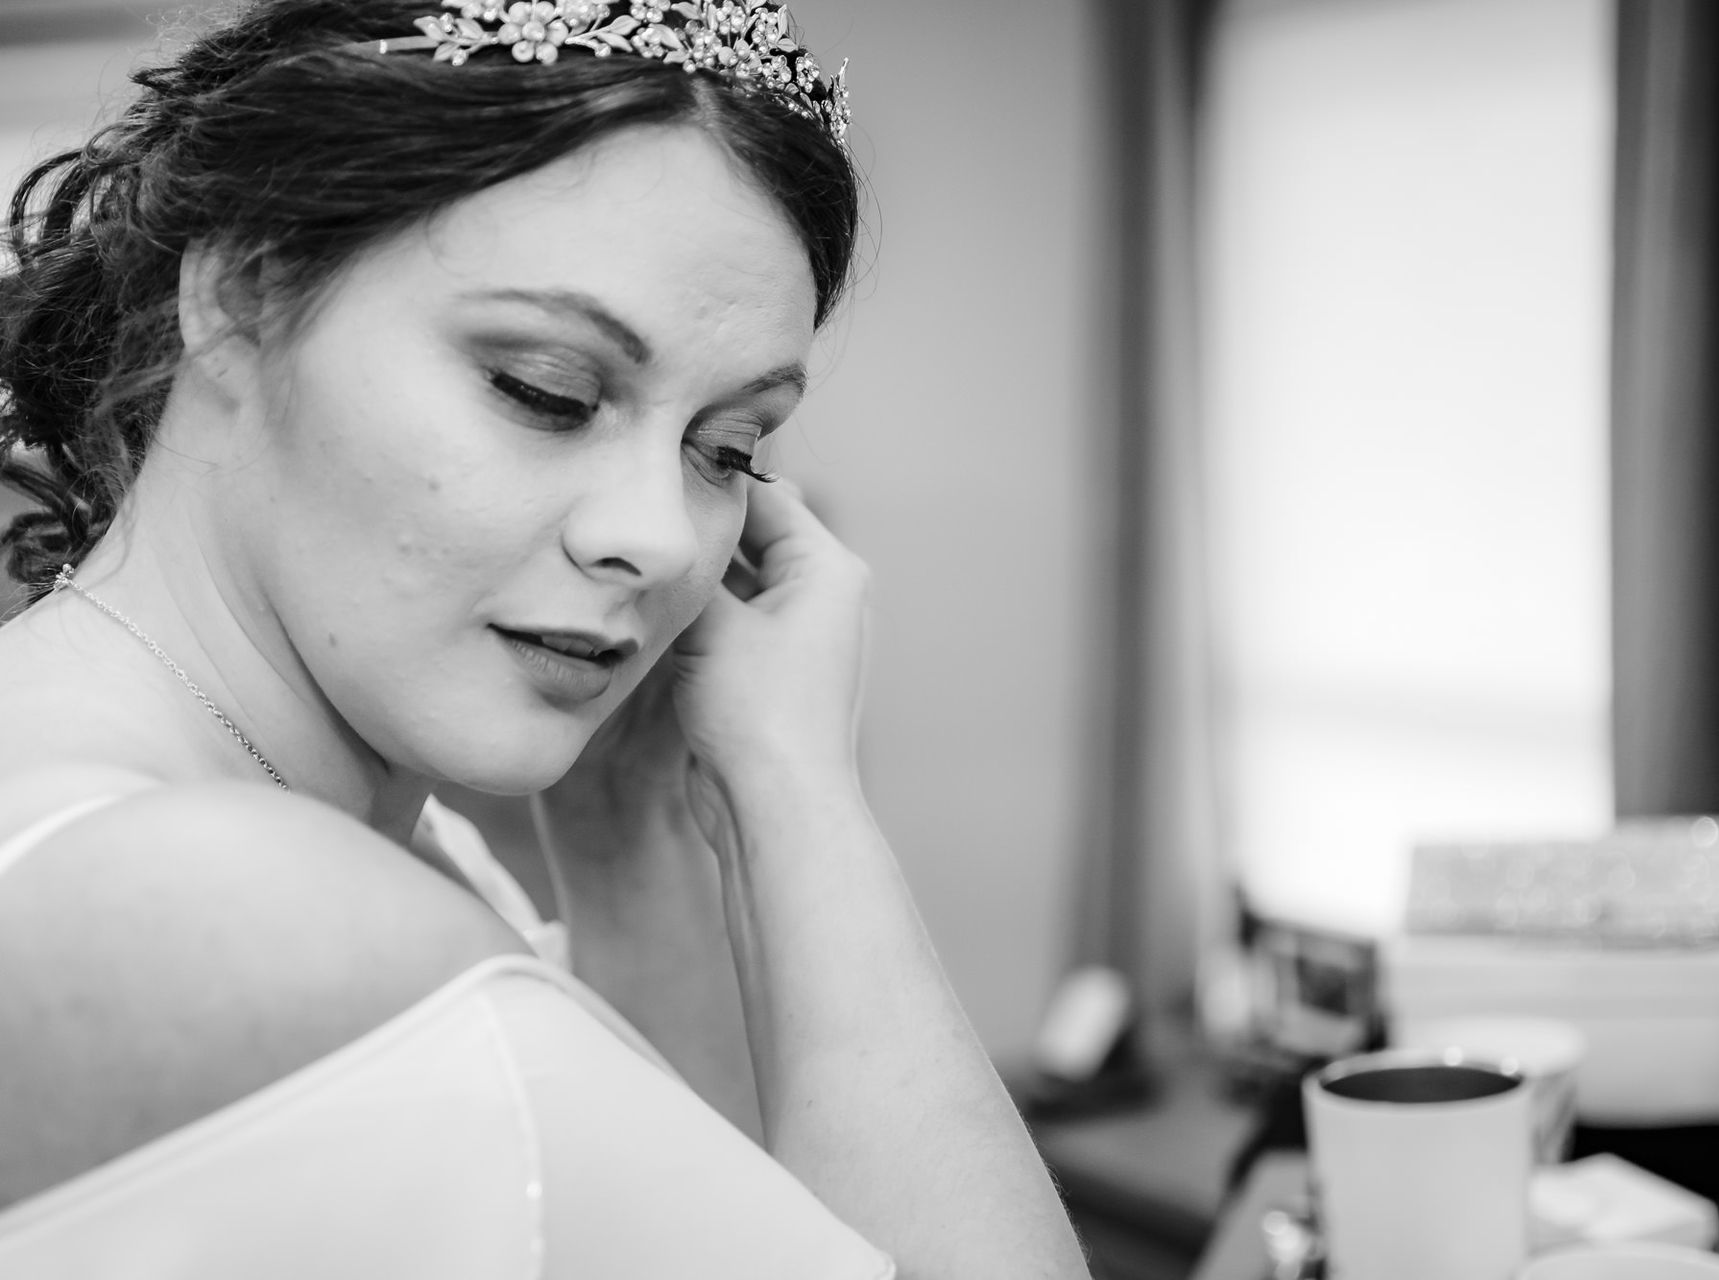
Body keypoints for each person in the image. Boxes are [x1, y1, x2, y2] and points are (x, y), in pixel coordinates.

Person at [0, 1, 1091, 1275]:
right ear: (241, 296)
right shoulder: (233, 906)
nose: (664, 540)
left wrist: (628, 832)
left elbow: (717, 1201)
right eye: (547, 391)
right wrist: (798, 795)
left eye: (727, 449)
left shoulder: (292, 819)